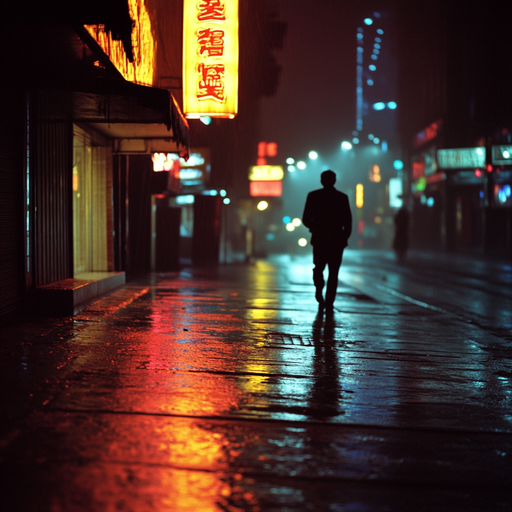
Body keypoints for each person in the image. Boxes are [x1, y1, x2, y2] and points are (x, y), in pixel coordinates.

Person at [302, 170, 352, 312]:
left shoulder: (313, 196)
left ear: (321, 180)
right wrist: (344, 237)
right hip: (337, 241)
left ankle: (319, 291)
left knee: (318, 267)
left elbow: (306, 218)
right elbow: (348, 221)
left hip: (319, 239)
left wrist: (316, 227)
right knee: (333, 273)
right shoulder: (342, 198)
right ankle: (329, 302)